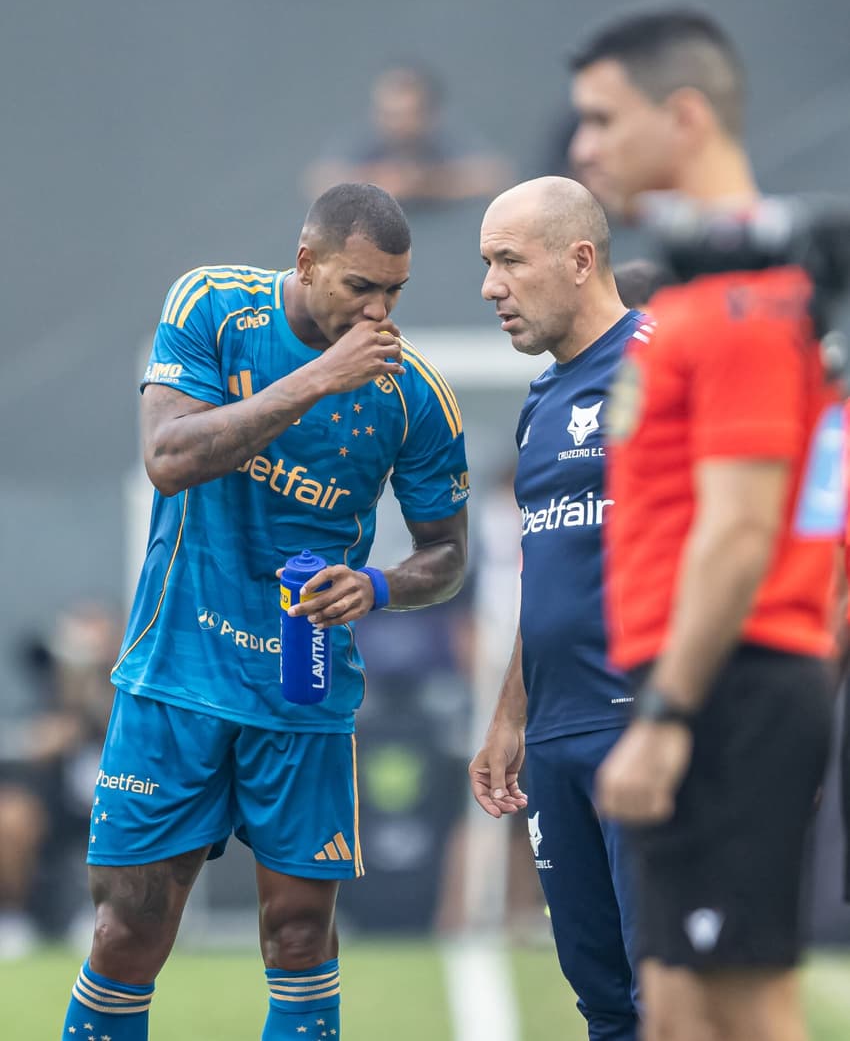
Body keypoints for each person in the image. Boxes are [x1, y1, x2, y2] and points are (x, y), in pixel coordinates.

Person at [58, 182, 469, 1041]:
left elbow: (449, 555)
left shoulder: (413, 396)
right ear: (307, 261)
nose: (380, 310)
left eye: (395, 291)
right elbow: (168, 459)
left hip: (301, 691)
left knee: (298, 935)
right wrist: (319, 379)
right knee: (127, 929)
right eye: (361, 286)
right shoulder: (210, 305)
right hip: (175, 676)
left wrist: (383, 585)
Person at [568, 4, 842, 1041]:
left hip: (732, 683)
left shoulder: (740, 312)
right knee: (679, 1007)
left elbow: (738, 533)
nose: (586, 147)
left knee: (747, 1005)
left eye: (602, 119)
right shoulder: (703, 300)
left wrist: (667, 718)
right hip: (707, 675)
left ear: (681, 116)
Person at [470, 175, 652, 1041]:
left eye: (508, 261)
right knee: (605, 1005)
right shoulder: (541, 403)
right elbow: (553, 573)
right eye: (486, 263)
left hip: (644, 728)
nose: (490, 286)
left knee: (676, 999)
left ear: (581, 260)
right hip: (556, 741)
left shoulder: (662, 366)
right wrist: (511, 716)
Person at [303, 63, 512, 206]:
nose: (399, 124)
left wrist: (425, 182)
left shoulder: (447, 141)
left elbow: (494, 175)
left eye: (409, 114)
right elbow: (320, 182)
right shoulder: (365, 143)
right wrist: (376, 184)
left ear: (430, 113)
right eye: (390, 114)